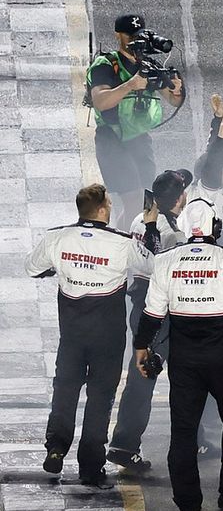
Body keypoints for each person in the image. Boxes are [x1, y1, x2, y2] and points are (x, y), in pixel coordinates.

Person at [133, 199, 223, 511]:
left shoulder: (166, 260)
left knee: (183, 431)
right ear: (215, 227)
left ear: (183, 229)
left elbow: (152, 315)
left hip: (185, 363)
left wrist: (141, 348)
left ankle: (188, 505)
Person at [25, 184, 153, 486]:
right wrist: (149, 226)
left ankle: (56, 448)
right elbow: (152, 264)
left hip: (71, 336)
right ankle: (90, 465)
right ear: (102, 210)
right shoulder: (120, 243)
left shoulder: (56, 238)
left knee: (65, 391)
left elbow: (32, 268)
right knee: (100, 398)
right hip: (107, 340)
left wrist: (60, 269)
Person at [106, 169, 192, 473]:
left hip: (139, 303)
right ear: (179, 198)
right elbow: (176, 273)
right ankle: (126, 445)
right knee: (153, 377)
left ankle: (125, 445)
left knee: (141, 374)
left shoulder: (137, 220)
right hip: (161, 311)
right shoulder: (173, 236)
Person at [86, 14, 184, 227]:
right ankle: (125, 247)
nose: (133, 40)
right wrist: (130, 85)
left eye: (137, 35)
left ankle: (129, 239)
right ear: (118, 35)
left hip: (140, 139)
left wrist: (177, 90)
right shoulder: (106, 64)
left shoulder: (149, 64)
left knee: (146, 201)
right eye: (128, 36)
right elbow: (100, 101)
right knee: (133, 199)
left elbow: (173, 100)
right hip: (112, 138)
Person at [188, 94, 223, 249]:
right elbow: (214, 159)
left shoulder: (204, 184)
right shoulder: (207, 193)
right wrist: (222, 139)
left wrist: (218, 118)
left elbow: (211, 153)